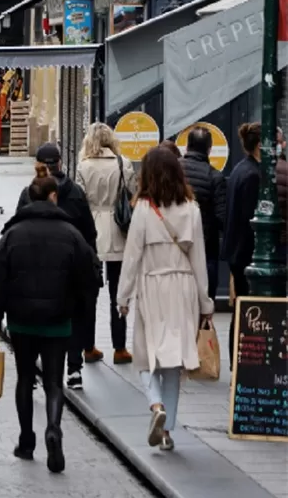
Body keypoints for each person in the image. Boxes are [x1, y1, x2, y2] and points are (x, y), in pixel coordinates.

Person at [0, 162, 98, 474]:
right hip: (58, 320)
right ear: (52, 198)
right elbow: (88, 280)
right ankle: (53, 427)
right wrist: (79, 315)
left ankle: (26, 439)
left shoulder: (11, 235)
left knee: (24, 378)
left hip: (21, 320)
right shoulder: (72, 235)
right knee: (53, 381)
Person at [116, 146, 214, 452]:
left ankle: (155, 405)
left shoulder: (144, 209)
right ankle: (168, 431)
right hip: (183, 287)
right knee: (174, 364)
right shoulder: (192, 209)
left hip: (152, 285)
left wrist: (123, 296)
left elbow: (132, 257)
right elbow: (199, 259)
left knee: (147, 356)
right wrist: (206, 302)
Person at [17, 142, 97, 390]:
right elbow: (89, 233)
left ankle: (32, 370)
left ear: (38, 165)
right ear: (60, 163)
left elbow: (16, 231)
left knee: (39, 319)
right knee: (72, 319)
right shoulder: (75, 193)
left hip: (35, 268)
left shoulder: (29, 193)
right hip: (70, 268)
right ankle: (74, 370)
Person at [75, 122, 137, 365]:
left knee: (89, 292)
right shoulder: (123, 163)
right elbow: (131, 192)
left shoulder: (83, 166)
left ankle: (88, 346)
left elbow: (80, 198)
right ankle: (120, 347)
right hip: (118, 231)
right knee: (117, 294)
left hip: (91, 231)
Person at [221, 122, 261, 368]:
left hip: (236, 250)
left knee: (240, 308)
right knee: (247, 309)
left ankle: (236, 361)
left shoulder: (240, 169)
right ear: (259, 145)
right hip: (245, 253)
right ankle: (241, 361)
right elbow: (249, 219)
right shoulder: (253, 175)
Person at [180, 126, 227, 301]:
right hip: (206, 249)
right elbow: (222, 218)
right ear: (209, 149)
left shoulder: (173, 172)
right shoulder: (215, 177)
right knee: (204, 301)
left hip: (176, 246)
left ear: (187, 146)